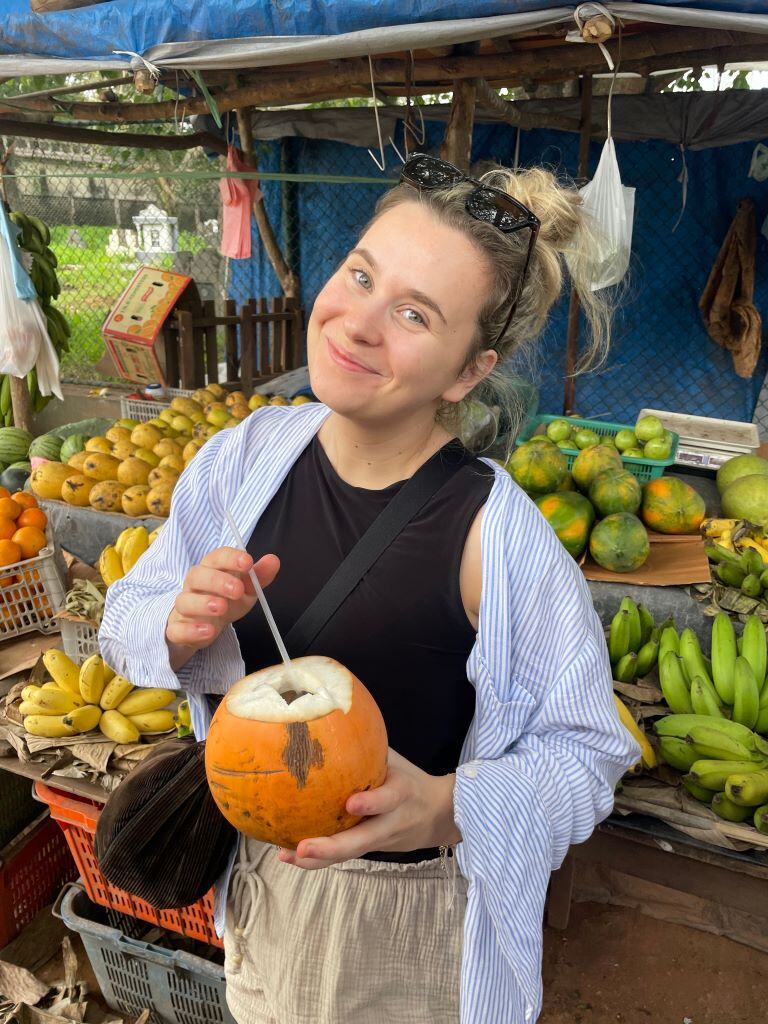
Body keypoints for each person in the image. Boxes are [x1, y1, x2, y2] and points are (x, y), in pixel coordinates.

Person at [100, 152, 639, 1024]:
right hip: (259, 881)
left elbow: (588, 757)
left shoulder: (497, 541)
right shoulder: (241, 460)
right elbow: (126, 615)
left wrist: (443, 806)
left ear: (468, 372)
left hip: (404, 922)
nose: (357, 323)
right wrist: (175, 622)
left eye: (414, 314)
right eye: (361, 274)